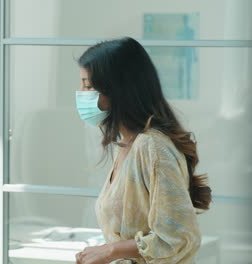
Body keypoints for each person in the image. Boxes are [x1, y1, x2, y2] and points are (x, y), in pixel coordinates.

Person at [74, 37, 211, 264]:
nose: (80, 93)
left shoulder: (152, 146)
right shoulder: (127, 144)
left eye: (88, 86)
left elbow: (178, 237)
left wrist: (110, 251)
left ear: (118, 90)